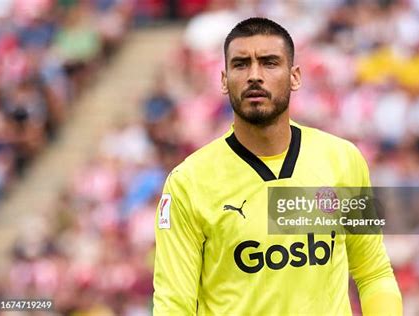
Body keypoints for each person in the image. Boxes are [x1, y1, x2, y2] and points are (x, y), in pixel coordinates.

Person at [153, 17, 402, 315]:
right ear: (223, 79)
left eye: (270, 63)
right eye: (241, 64)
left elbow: (373, 273)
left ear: (295, 76)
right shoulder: (188, 182)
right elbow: (173, 305)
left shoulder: (342, 160)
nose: (254, 75)